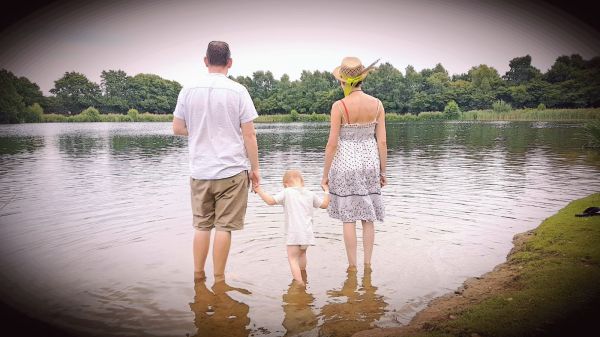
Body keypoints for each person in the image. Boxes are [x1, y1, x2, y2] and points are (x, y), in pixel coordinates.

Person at [172, 41, 260, 282]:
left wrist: (202, 131)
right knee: (224, 227)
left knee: (201, 226)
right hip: (232, 171)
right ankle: (219, 279)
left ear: (205, 61)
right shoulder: (238, 91)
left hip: (200, 171)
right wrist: (256, 169)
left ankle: (198, 277)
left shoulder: (187, 90)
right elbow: (250, 135)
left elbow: (177, 128)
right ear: (229, 62)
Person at [321, 56, 387, 272]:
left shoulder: (339, 106)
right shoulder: (377, 104)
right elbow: (383, 141)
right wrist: (383, 171)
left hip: (346, 163)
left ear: (344, 82)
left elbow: (332, 144)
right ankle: (368, 266)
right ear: (361, 80)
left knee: (348, 217)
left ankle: (352, 267)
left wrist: (325, 175)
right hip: (370, 162)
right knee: (368, 216)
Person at [254, 170, 330, 286]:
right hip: (307, 234)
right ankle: (303, 274)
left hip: (294, 234)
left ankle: (299, 283)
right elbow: (325, 205)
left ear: (285, 184)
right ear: (302, 183)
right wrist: (326, 191)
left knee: (293, 258)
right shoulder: (310, 193)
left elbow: (270, 201)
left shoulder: (287, 192)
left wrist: (259, 190)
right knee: (302, 254)